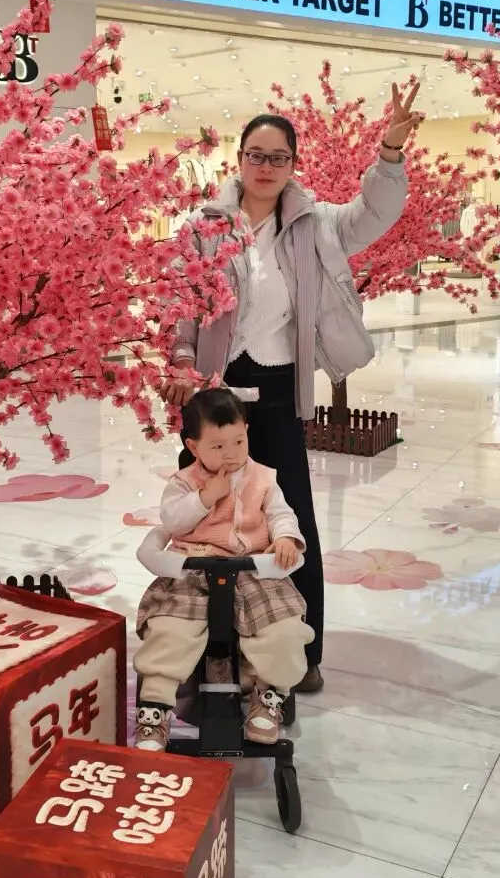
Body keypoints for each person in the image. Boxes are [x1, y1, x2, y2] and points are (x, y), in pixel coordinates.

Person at [161, 85, 419, 692]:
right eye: (256, 155)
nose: (266, 167)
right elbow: (182, 300)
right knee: (203, 513)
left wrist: (389, 152)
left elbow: (374, 214)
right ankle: (204, 646)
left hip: (278, 390)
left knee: (289, 516)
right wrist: (180, 361)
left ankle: (300, 652)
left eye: (278, 157)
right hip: (214, 391)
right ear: (239, 159)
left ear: (293, 164)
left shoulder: (315, 222)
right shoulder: (203, 226)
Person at [133, 388, 313, 752]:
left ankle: (270, 695)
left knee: (284, 628)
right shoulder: (183, 483)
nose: (230, 453)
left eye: (238, 441)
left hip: (254, 569)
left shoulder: (263, 478)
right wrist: (205, 498)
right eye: (217, 446)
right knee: (169, 629)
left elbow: (281, 513)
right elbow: (172, 521)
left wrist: (285, 538)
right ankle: (155, 709)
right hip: (193, 569)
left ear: (247, 431)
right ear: (193, 447)